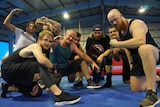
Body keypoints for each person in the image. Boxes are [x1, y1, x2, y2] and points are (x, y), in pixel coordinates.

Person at [1, 30, 81, 106]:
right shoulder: (35, 46)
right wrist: (53, 68)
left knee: (36, 92)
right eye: (45, 40)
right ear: (39, 40)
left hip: (17, 75)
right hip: (8, 70)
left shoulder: (44, 51)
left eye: (50, 41)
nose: (47, 43)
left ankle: (8, 88)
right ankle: (59, 95)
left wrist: (36, 83)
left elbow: (32, 69)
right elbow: (42, 61)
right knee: (40, 64)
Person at [107, 8, 160, 107]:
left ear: (121, 15)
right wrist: (131, 63)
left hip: (152, 53)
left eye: (115, 19)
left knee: (143, 49)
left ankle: (152, 93)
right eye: (111, 22)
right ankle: (157, 78)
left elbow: (140, 41)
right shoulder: (120, 33)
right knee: (136, 88)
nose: (114, 23)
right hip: (137, 58)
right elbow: (127, 48)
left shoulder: (136, 24)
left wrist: (118, 44)